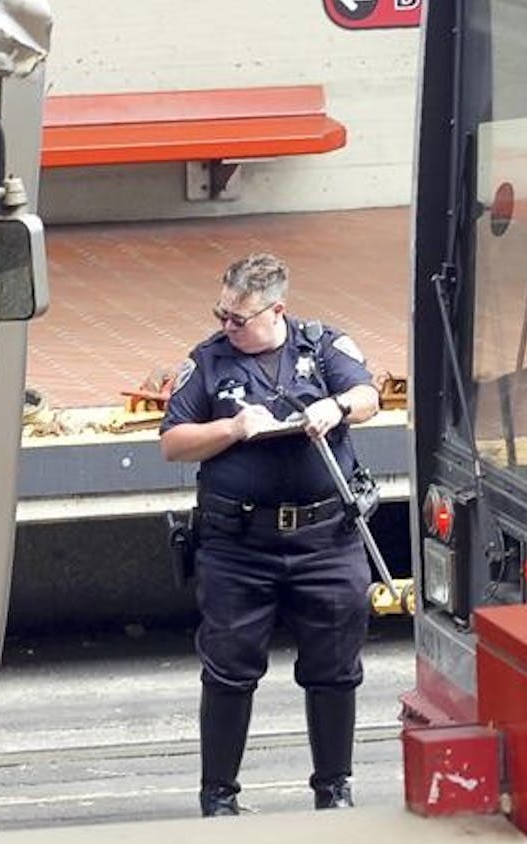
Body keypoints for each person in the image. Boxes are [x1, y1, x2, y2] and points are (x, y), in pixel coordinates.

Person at [159, 253, 380, 817]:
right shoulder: (208, 362)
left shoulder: (321, 346)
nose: (227, 327)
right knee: (229, 669)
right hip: (239, 543)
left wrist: (335, 407)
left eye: (240, 318)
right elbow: (173, 441)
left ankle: (334, 790)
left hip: (324, 536)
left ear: (276, 309)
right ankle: (219, 799)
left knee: (335, 667)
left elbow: (369, 396)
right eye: (222, 314)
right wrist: (232, 428)